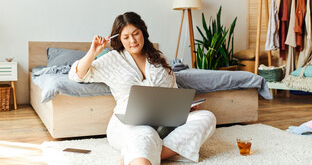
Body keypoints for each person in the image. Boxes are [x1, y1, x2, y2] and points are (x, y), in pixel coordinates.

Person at [69, 12, 216, 165]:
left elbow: (173, 90)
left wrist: (185, 108)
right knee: (146, 134)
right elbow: (76, 75)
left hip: (165, 123)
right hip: (129, 124)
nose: (132, 41)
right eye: (126, 37)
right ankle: (148, 153)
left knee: (207, 117)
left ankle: (145, 153)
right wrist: (93, 52)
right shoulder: (112, 59)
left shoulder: (159, 59)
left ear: (143, 32)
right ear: (119, 39)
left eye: (136, 34)